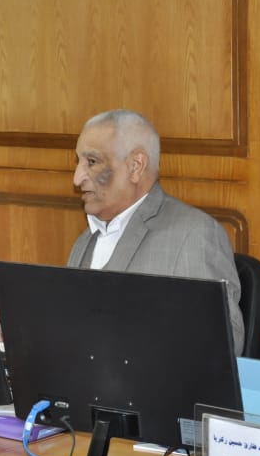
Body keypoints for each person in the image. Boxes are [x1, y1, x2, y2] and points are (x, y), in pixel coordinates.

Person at [67, 109, 244, 352]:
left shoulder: (193, 235)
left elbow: (222, 347)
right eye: (78, 162)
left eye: (92, 162)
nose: (77, 178)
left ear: (136, 166)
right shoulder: (85, 240)